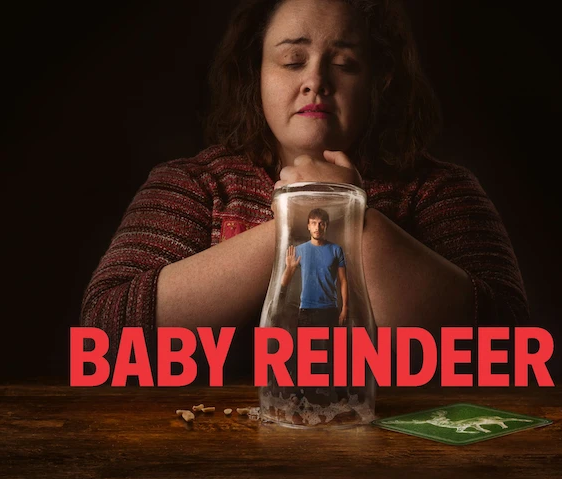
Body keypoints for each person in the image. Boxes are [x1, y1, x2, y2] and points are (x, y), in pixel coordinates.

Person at [80, 0, 529, 377]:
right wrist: (301, 217)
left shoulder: (438, 190)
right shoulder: (194, 184)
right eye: (293, 60)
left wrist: (352, 216)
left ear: (378, 81)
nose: (317, 81)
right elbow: (103, 339)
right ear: (255, 75)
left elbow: (509, 349)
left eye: (344, 64)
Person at [280, 207, 346, 400]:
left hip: (330, 309)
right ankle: (304, 395)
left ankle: (337, 394)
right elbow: (285, 281)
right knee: (305, 353)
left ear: (326, 226)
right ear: (308, 226)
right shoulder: (299, 250)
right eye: (314, 223)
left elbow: (343, 281)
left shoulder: (335, 250)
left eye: (321, 223)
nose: (318, 227)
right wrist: (289, 268)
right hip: (307, 309)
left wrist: (345, 308)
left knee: (333, 352)